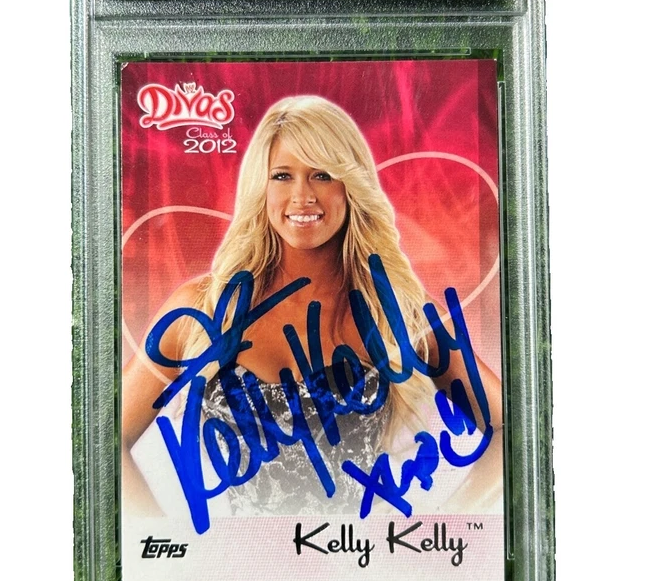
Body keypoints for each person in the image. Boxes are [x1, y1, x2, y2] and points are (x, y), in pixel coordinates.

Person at [122, 96, 503, 519]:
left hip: (359, 557)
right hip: (243, 560)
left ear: (350, 185)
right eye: (282, 176)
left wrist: (444, 530)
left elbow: (513, 429)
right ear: (261, 188)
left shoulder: (399, 311)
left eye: (322, 174)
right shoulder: (204, 309)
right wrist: (166, 544)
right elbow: (105, 438)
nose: (302, 196)